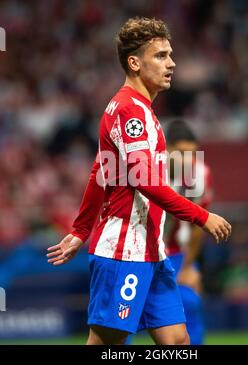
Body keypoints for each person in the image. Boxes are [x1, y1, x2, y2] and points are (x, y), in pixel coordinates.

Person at [47, 17, 231, 345]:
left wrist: (80, 229)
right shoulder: (130, 111)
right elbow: (144, 180)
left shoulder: (141, 110)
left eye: (170, 54)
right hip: (123, 250)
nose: (171, 63)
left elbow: (100, 171)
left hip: (151, 250)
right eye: (160, 55)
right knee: (108, 345)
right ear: (134, 62)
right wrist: (201, 215)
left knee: (177, 342)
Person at [165, 119, 213, 345]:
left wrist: (187, 267)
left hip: (175, 252)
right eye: (181, 152)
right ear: (166, 148)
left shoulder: (199, 174)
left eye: (192, 153)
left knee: (190, 303)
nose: (187, 159)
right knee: (124, 315)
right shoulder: (146, 171)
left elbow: (199, 226)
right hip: (138, 252)